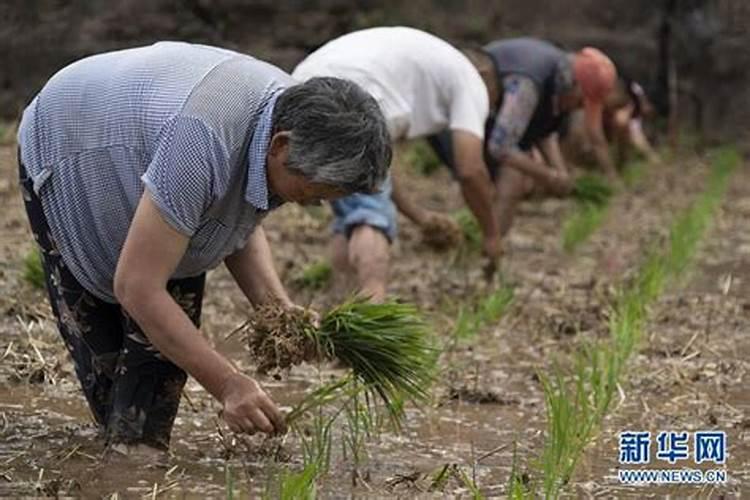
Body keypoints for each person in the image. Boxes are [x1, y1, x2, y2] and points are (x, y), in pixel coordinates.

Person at [16, 41, 391, 456]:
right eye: (317, 189)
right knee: (111, 378)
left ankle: (134, 452)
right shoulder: (204, 139)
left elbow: (235, 216)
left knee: (146, 409)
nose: (317, 202)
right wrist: (228, 384)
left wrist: (278, 309)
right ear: (281, 147)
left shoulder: (290, 112)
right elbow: (139, 287)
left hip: (157, 145)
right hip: (70, 138)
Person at [293, 27, 502, 302]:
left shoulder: (428, 67)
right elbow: (470, 169)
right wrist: (491, 234)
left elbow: (378, 176)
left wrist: (419, 216)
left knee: (351, 209)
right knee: (371, 216)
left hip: (301, 86)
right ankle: (372, 308)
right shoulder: (470, 79)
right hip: (352, 97)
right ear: (486, 77)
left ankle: (341, 309)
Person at [427, 38, 617, 236]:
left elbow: (544, 131)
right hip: (452, 112)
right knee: (493, 175)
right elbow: (501, 146)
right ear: (574, 84)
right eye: (579, 103)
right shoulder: (526, 84)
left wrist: (560, 170)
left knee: (514, 175)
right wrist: (547, 176)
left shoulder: (557, 79)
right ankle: (480, 240)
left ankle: (488, 247)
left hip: (486, 117)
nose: (577, 109)